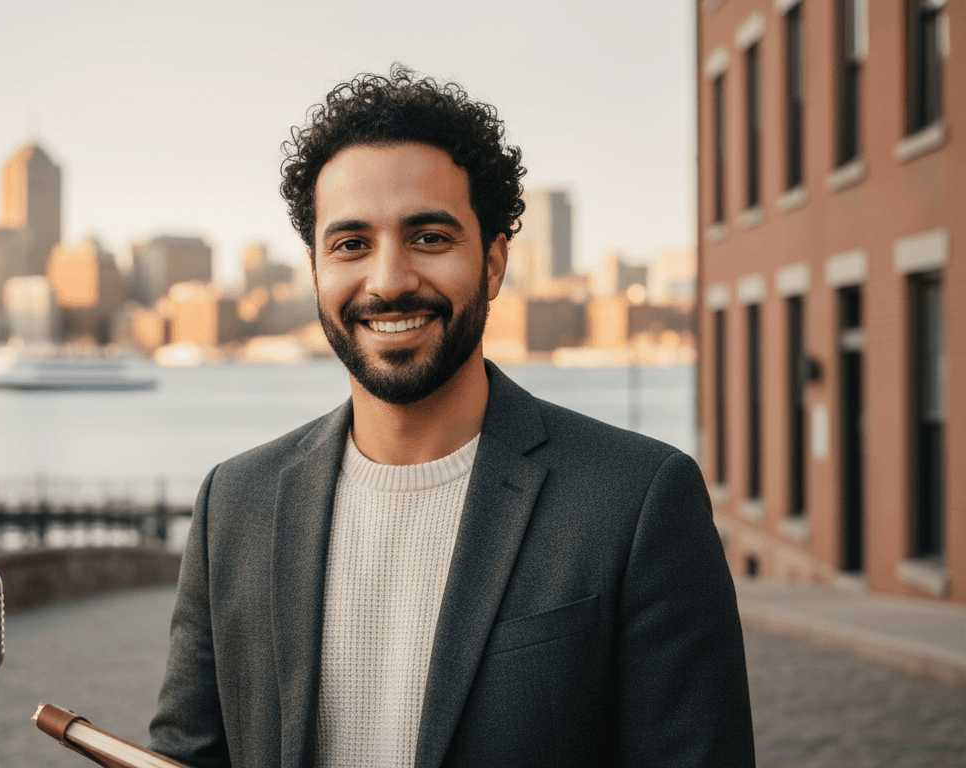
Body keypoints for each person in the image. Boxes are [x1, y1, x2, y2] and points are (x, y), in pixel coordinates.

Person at [148, 65, 754, 768]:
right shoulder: (235, 505)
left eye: (429, 237)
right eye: (350, 244)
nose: (388, 280)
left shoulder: (638, 501)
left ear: (494, 264)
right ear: (315, 271)